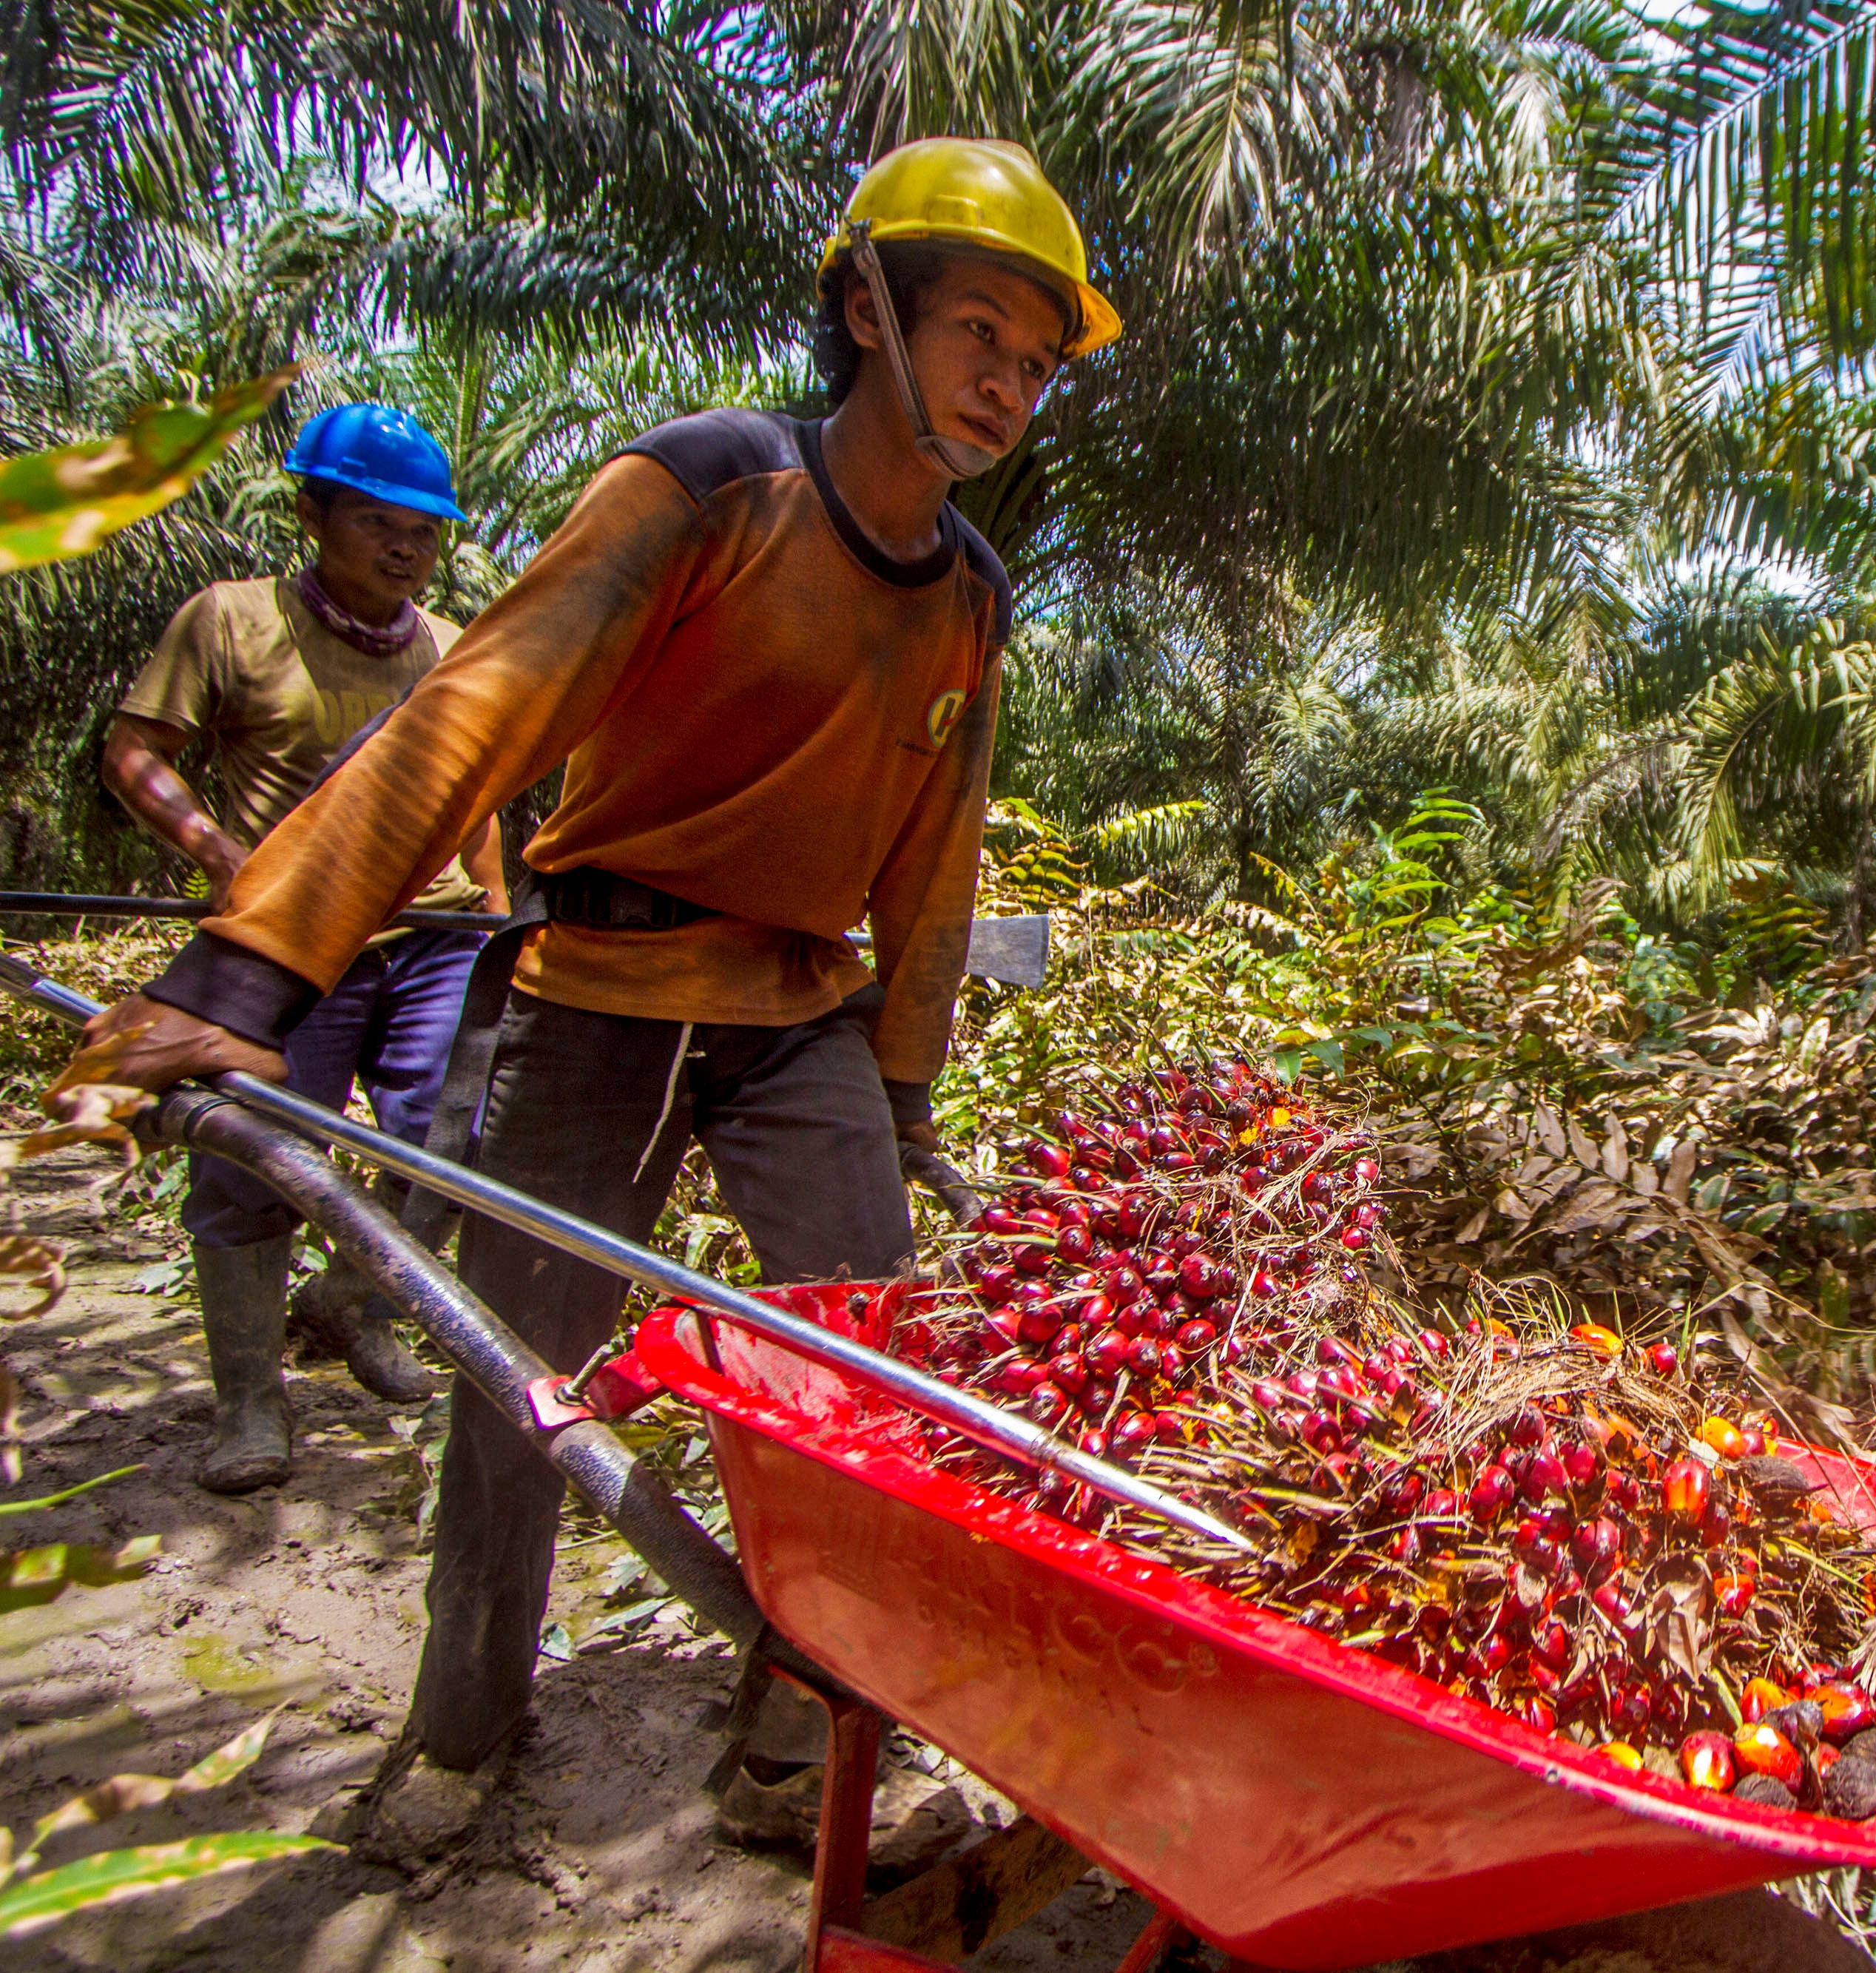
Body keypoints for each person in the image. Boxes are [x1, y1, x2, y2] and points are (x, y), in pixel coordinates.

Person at [72, 138, 1118, 1784]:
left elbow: (934, 864)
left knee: (865, 1378)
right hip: (597, 990)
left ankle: (794, 1731)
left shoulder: (971, 595)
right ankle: (462, 1731)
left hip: (797, 1015)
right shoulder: (707, 485)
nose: (1006, 384)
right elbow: (472, 715)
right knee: (519, 1381)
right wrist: (248, 973)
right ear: (866, 307)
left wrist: (902, 1090)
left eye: (1038, 362)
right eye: (978, 331)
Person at [103, 402, 507, 1494]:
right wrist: (217, 851)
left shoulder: (451, 649)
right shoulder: (230, 622)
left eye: (425, 533)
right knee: (253, 1158)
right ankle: (250, 1401)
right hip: (295, 941)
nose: (406, 550)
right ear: (313, 514)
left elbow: (477, 798)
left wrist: (501, 917)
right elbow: (135, 750)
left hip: (435, 938)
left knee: (452, 1145)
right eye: (379, 522)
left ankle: (359, 1303)